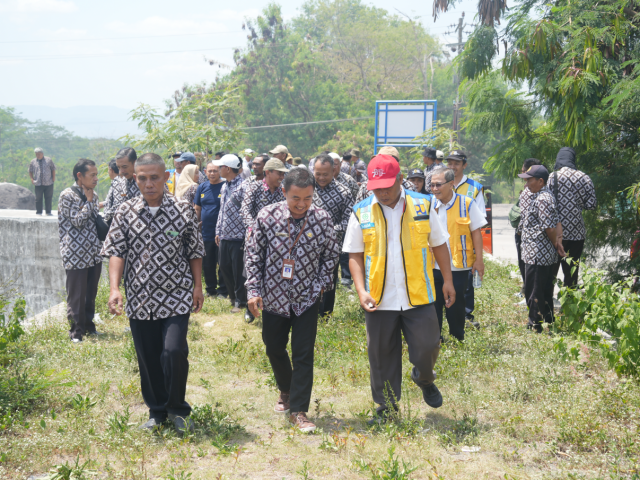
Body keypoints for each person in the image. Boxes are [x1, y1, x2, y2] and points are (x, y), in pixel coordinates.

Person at [343, 154, 455, 423]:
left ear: (401, 180)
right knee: (381, 355)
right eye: (376, 187)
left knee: (428, 346)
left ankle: (424, 378)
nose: (381, 192)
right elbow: (355, 255)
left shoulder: (423, 205)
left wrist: (448, 281)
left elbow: (439, 244)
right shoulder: (361, 210)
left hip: (419, 295)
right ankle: (386, 407)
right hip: (379, 298)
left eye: (387, 186)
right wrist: (361, 291)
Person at [102, 152, 205, 435]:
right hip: (140, 297)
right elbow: (116, 252)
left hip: (176, 295)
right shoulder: (125, 211)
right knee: (147, 356)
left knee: (173, 351)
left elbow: (195, 252)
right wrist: (114, 288)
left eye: (154, 177)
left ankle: (178, 409)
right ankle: (157, 411)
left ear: (166, 177)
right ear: (135, 178)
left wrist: (198, 286)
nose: (149, 183)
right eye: (143, 178)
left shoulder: (183, 210)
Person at [245, 167, 340, 433]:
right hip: (273, 297)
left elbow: (331, 256)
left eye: (307, 198)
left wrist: (321, 285)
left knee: (303, 354)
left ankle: (299, 410)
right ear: (284, 192)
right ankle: (285, 389)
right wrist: (253, 290)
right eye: (295, 198)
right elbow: (253, 256)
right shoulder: (267, 216)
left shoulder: (322, 219)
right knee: (273, 347)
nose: (301, 204)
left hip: (306, 298)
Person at [430, 168, 486, 341]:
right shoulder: (428, 205)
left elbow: (476, 232)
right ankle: (435, 338)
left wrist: (479, 260)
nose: (434, 189)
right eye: (432, 185)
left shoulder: (467, 203)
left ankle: (457, 337)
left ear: (451, 184)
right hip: (433, 265)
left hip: (458, 265)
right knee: (434, 304)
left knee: (457, 304)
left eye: (438, 185)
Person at [58, 159, 102, 342]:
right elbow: (76, 221)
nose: (96, 178)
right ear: (79, 176)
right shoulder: (67, 196)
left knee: (90, 293)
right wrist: (90, 203)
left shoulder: (94, 194)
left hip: (93, 253)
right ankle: (76, 332)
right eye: (92, 175)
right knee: (76, 295)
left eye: (96, 175)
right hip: (75, 254)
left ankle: (89, 326)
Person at [517, 164, 562, 332]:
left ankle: (535, 323)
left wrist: (556, 243)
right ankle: (548, 318)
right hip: (540, 253)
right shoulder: (546, 195)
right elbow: (556, 223)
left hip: (538, 253)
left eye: (529, 180)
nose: (527, 184)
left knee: (534, 289)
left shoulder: (542, 198)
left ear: (541, 181)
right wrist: (557, 243)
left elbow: (549, 227)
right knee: (543, 288)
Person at [446, 150, 486, 327]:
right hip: (445, 241)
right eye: (450, 163)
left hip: (466, 243)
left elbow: (479, 221)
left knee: (466, 282)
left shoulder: (474, 188)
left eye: (456, 163)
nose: (453, 166)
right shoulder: (441, 184)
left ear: (464, 165)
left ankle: (467, 315)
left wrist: (479, 254)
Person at [548, 147, 597, 289]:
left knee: (551, 273)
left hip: (556, 234)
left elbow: (546, 202)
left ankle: (547, 307)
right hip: (577, 233)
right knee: (571, 273)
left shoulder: (552, 177)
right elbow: (592, 205)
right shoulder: (584, 177)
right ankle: (570, 306)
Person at [312, 154, 354, 317]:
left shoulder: (344, 192)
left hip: (332, 247)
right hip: (306, 245)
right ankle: (307, 312)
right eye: (318, 173)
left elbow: (348, 221)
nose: (321, 178)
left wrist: (327, 230)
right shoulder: (306, 188)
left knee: (328, 281)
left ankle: (325, 314)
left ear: (334, 170)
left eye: (325, 174)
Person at [215, 154, 249, 315]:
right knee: (224, 267)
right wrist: (218, 231)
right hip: (224, 236)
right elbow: (222, 211)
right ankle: (232, 297)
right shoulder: (224, 186)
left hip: (238, 236)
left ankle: (240, 300)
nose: (218, 169)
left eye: (220, 167)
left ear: (227, 169)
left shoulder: (243, 186)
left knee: (238, 270)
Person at [194, 162, 228, 299]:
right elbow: (197, 207)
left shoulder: (225, 186)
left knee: (222, 262)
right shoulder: (202, 187)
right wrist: (196, 225)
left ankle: (223, 290)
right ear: (205, 172)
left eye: (215, 171)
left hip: (222, 232)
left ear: (219, 171)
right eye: (210, 171)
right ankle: (210, 289)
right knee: (208, 263)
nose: (212, 173)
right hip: (206, 232)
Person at [514, 158, 543, 292]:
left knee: (526, 267)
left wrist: (519, 233)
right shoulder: (545, 191)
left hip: (528, 239)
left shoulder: (528, 191)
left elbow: (524, 217)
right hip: (541, 240)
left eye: (524, 172)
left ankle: (528, 293)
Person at [103, 147, 140, 223]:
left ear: (135, 163)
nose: (121, 171)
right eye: (119, 167)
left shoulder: (147, 181)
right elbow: (110, 206)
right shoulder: (118, 182)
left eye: (124, 167)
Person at [29, 147, 56, 216]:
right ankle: (39, 212)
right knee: (38, 198)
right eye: (36, 154)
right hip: (38, 183)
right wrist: (32, 179)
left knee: (48, 197)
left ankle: (48, 212)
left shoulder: (48, 160)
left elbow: (53, 169)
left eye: (39, 154)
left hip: (48, 183)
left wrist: (53, 178)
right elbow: (30, 171)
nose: (38, 155)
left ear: (42, 153)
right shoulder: (33, 161)